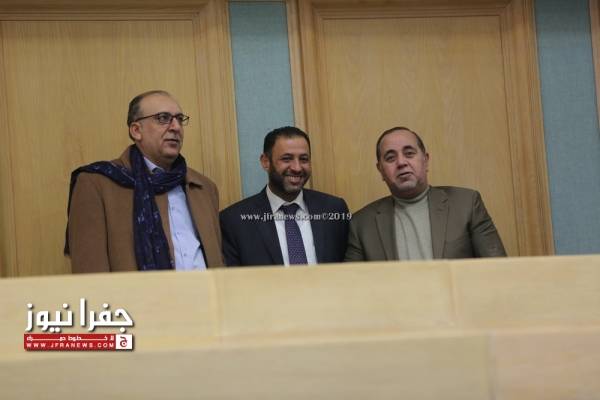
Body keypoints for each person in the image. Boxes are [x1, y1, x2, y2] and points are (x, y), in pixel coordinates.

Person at [65, 90, 223, 272]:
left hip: (204, 290)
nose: (176, 127)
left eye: (180, 119)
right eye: (163, 118)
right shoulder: (96, 183)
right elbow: (90, 272)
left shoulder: (204, 188)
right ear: (136, 130)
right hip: (138, 292)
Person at [345, 126, 506, 262]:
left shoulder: (466, 204)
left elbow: (498, 270)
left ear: (425, 160)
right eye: (390, 158)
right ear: (380, 170)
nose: (401, 162)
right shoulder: (361, 224)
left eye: (409, 153)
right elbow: (350, 284)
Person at [220, 126, 350, 266]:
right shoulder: (234, 221)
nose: (297, 168)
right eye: (287, 159)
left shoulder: (335, 209)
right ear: (265, 162)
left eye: (304, 159)